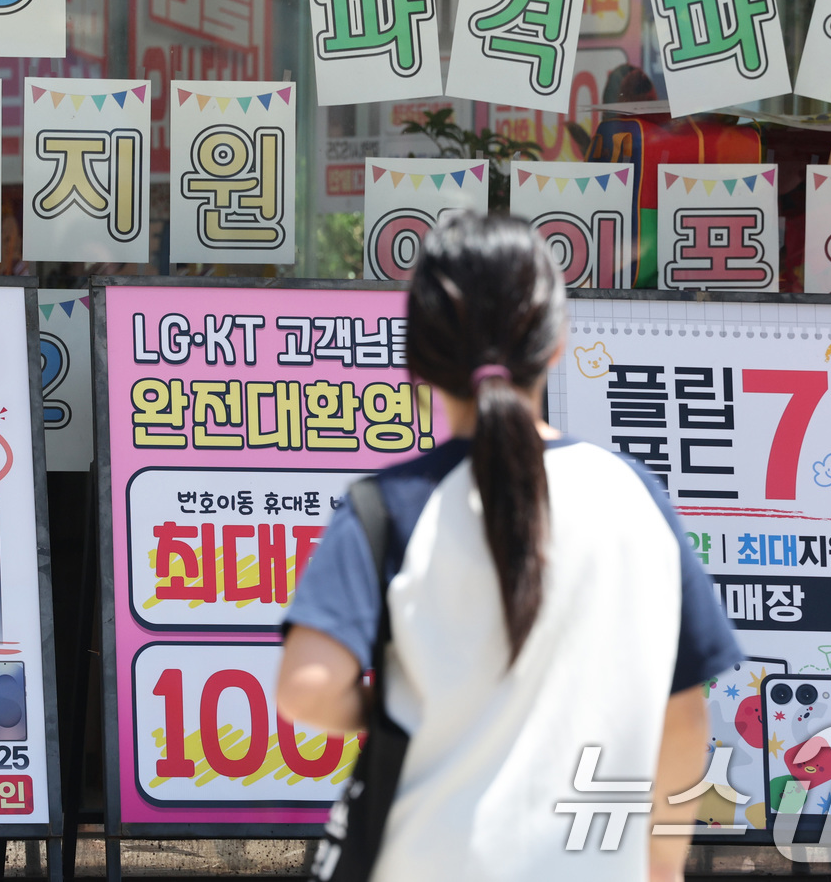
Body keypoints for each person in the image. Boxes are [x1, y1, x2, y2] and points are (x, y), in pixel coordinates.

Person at [276, 212, 742, 882]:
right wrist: (663, 863)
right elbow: (685, 717)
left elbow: (307, 689)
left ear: (419, 357)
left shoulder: (387, 507)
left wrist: (401, 711)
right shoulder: (633, 497)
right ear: (556, 343)